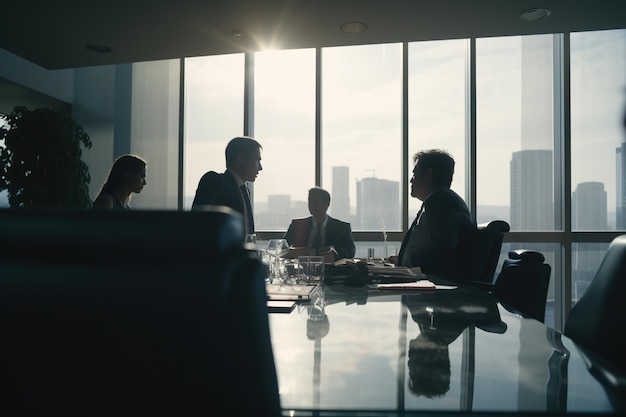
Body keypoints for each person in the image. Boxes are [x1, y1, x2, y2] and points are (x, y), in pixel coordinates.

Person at [389, 149, 476, 278]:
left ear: (428, 174)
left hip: (432, 287)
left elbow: (441, 255)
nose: (411, 181)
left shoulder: (440, 202)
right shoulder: (445, 200)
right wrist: (401, 261)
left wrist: (406, 270)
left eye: (415, 174)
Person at [192, 136, 262, 236]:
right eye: (257, 160)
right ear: (241, 159)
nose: (260, 168)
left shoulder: (244, 190)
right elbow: (198, 222)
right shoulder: (214, 181)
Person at [283, 187, 356, 261]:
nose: (312, 205)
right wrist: (292, 251)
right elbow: (282, 247)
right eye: (310, 201)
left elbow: (350, 250)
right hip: (301, 268)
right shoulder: (298, 225)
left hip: (330, 269)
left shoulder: (341, 228)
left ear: (326, 204)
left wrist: (334, 252)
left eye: (316, 201)